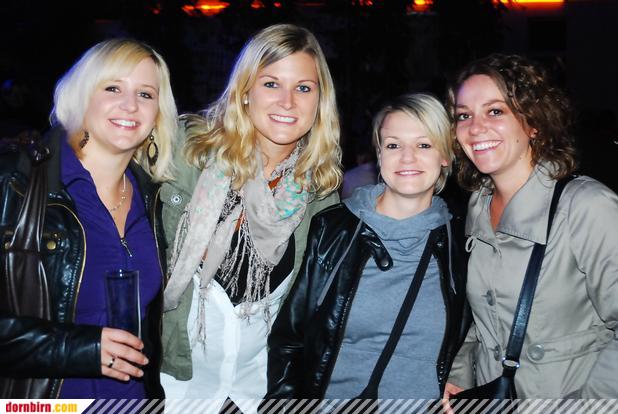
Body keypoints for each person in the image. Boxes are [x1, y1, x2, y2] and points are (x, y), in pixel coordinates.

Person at [159, 24, 342, 411]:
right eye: (271, 84)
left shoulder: (321, 195)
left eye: (303, 88)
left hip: (255, 393)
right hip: (173, 387)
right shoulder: (186, 152)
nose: (288, 102)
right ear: (245, 91)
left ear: (319, 101)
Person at [0, 38, 177, 398]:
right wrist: (78, 349)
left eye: (145, 94)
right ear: (81, 95)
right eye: (113, 88)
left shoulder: (155, 199)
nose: (130, 105)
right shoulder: (15, 183)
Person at [265, 93, 469, 401]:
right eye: (394, 145)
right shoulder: (334, 229)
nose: (408, 157)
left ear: (445, 156)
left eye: (424, 145)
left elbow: (480, 336)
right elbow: (289, 339)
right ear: (379, 154)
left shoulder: (463, 244)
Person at [445, 54, 618, 398]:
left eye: (495, 111)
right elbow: (485, 320)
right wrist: (461, 374)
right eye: (464, 115)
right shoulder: (478, 204)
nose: (475, 128)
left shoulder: (586, 206)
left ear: (534, 122)